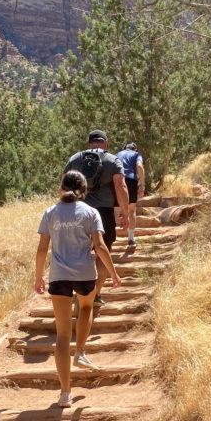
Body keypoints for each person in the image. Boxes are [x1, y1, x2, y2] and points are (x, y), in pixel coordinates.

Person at [35, 170, 122, 407]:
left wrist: (38, 278)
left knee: (62, 336)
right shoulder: (91, 212)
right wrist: (113, 273)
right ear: (84, 190)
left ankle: (65, 393)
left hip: (59, 276)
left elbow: (42, 249)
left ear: (62, 187)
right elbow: (101, 247)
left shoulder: (50, 213)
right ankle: (81, 350)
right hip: (85, 273)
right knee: (86, 307)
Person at [64, 129, 129, 306]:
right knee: (103, 251)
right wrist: (125, 213)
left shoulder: (75, 159)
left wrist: (64, 211)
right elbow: (120, 186)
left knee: (78, 253)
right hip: (104, 212)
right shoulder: (112, 160)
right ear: (105, 144)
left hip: (78, 211)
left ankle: (78, 292)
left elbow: (64, 185)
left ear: (89, 143)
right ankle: (96, 294)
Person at [116, 141, 146, 249]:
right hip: (130, 179)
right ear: (135, 149)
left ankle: (108, 237)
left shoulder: (117, 154)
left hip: (117, 180)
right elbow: (139, 166)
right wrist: (142, 185)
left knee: (115, 210)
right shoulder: (136, 155)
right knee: (131, 210)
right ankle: (131, 239)